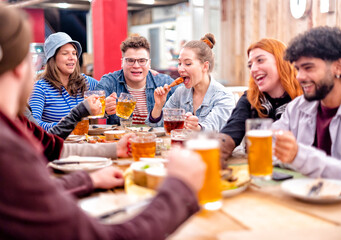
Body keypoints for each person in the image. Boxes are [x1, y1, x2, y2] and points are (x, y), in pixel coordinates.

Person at [0, 3, 206, 238]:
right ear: (20, 67)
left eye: (73, 53)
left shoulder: (15, 129)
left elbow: (50, 154)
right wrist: (181, 188)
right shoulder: (10, 147)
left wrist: (91, 176)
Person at [273, 26, 341, 184]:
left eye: (308, 68)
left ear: (338, 67)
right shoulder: (297, 107)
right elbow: (270, 146)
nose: (299, 77)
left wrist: (298, 156)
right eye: (298, 69)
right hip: (303, 198)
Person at [219, 38, 302, 160]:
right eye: (250, 65)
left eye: (260, 60)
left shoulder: (304, 98)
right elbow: (231, 133)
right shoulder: (250, 98)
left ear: (282, 61)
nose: (253, 69)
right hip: (259, 171)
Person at [148, 33, 235, 131]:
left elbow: (214, 130)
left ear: (205, 66)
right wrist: (158, 106)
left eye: (188, 63)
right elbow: (157, 127)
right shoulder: (180, 93)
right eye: (179, 63)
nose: (180, 69)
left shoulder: (224, 96)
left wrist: (197, 128)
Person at [96, 34, 177, 125]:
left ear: (149, 63)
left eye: (142, 61)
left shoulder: (163, 82)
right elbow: (91, 108)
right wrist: (102, 108)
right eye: (130, 61)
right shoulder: (110, 81)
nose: (136, 66)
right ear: (122, 62)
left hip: (155, 138)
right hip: (120, 139)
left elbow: (188, 94)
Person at [29, 32, 98, 131]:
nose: (72, 58)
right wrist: (62, 125)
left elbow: (107, 90)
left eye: (74, 53)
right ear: (53, 58)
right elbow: (32, 124)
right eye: (65, 53)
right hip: (58, 144)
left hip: (83, 143)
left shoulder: (85, 81)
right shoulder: (40, 88)